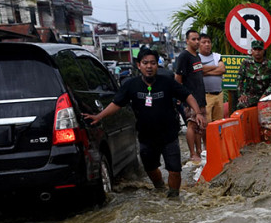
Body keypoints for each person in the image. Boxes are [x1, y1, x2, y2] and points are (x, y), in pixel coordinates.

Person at [84, 48, 204, 199]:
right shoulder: (131, 85)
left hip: (169, 135)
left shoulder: (167, 82)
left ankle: (174, 198)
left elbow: (187, 96)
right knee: (151, 168)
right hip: (146, 137)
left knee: (174, 170)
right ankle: (160, 188)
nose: (149, 66)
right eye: (145, 63)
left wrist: (198, 113)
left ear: (157, 65)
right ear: (138, 65)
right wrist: (99, 116)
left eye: (152, 63)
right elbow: (117, 104)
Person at [174, 29, 207, 164]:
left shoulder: (197, 56)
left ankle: (199, 151)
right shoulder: (184, 56)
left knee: (200, 126)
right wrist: (179, 95)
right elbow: (178, 77)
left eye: (198, 39)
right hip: (190, 98)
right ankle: (192, 153)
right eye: (193, 39)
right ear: (187, 41)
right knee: (192, 124)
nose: (197, 42)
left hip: (200, 97)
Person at [235, 39, 271, 110]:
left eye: (260, 49)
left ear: (263, 51)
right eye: (255, 49)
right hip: (250, 96)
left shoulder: (269, 64)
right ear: (252, 51)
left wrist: (266, 94)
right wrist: (242, 94)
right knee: (241, 106)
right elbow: (239, 79)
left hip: (266, 95)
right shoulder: (246, 63)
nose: (257, 52)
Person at [198, 33, 226, 122]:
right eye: (204, 42)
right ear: (199, 44)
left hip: (219, 95)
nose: (207, 44)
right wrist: (215, 67)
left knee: (218, 122)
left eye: (209, 42)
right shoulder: (196, 58)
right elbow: (199, 70)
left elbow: (222, 69)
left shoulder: (217, 56)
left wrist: (205, 72)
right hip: (206, 96)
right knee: (207, 122)